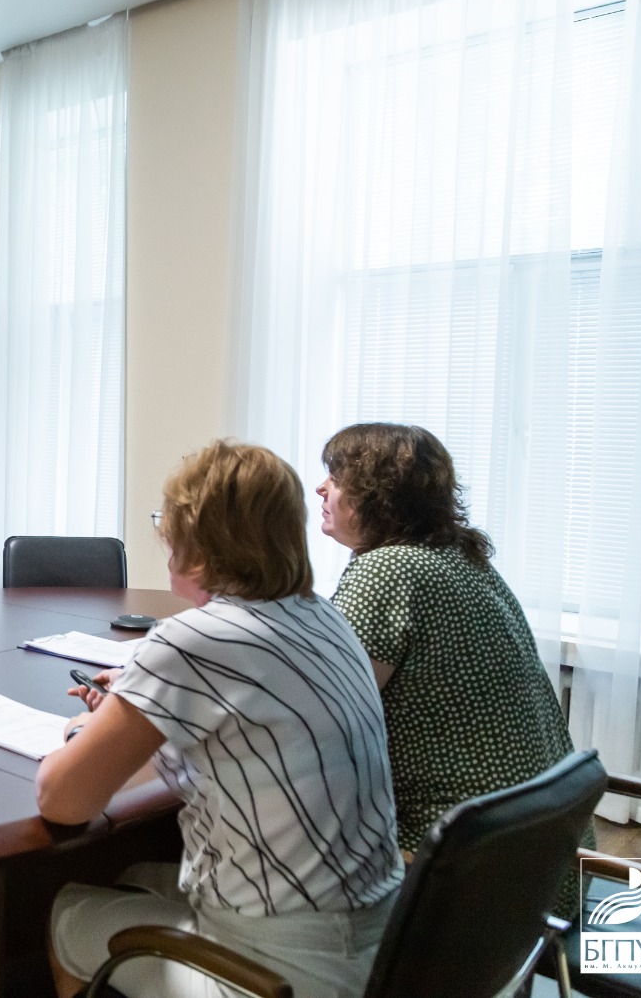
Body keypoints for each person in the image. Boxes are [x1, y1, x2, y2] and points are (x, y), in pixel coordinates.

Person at [38, 441, 402, 998]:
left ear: (198, 541)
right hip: (381, 941)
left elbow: (62, 800)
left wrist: (87, 729)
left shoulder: (194, 640)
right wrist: (144, 706)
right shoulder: (324, 617)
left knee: (66, 912)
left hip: (282, 968)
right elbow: (246, 736)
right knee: (131, 876)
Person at [316, 422, 589, 889]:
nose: (321, 488)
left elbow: (325, 716)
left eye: (336, 478)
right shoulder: (463, 558)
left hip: (465, 874)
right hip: (544, 861)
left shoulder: (388, 569)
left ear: (376, 494)